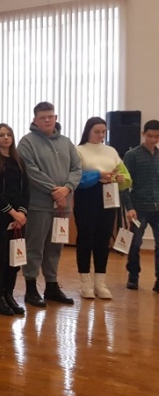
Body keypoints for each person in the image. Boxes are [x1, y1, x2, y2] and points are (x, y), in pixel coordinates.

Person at [17, 102, 82, 306]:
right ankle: (30, 288)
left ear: (56, 118)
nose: (47, 120)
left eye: (50, 116)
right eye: (42, 117)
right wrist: (55, 190)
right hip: (38, 205)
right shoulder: (27, 143)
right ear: (35, 120)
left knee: (55, 247)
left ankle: (52, 286)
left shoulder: (66, 142)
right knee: (35, 247)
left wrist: (66, 189)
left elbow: (77, 168)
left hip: (63, 207)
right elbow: (30, 171)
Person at [74, 117, 131, 299]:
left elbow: (123, 174)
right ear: (88, 131)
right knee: (86, 237)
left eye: (103, 132)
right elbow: (76, 177)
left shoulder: (111, 151)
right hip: (86, 197)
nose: (100, 135)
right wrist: (99, 176)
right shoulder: (78, 150)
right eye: (97, 132)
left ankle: (100, 282)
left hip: (109, 196)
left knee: (103, 238)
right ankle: (85, 282)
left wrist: (119, 178)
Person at [0, 124, 30, 316]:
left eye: (9, 134)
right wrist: (12, 213)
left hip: (20, 218)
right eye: (1, 135)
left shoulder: (19, 161)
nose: (5, 138)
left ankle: (9, 294)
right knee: (0, 258)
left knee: (15, 258)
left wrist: (22, 213)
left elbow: (26, 189)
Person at [122, 119, 159, 292]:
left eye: (157, 136)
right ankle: (133, 275)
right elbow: (124, 184)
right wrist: (129, 207)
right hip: (138, 207)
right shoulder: (132, 155)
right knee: (135, 243)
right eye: (150, 136)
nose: (153, 140)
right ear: (143, 134)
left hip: (157, 207)